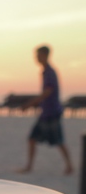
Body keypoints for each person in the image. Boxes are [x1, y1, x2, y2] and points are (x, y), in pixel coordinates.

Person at [19, 46, 73, 174]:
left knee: (59, 140)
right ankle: (29, 166)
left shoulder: (50, 72)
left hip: (52, 112)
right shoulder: (45, 71)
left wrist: (30, 104)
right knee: (32, 138)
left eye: (38, 55)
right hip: (45, 113)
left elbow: (47, 92)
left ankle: (69, 166)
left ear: (44, 55)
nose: (36, 58)